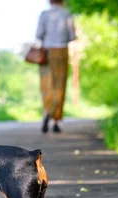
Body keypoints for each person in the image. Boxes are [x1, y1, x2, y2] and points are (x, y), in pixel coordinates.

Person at [36, 0, 76, 133]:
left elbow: (38, 34)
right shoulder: (67, 14)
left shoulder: (44, 14)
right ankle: (56, 121)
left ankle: (47, 112)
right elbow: (72, 35)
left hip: (46, 51)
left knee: (47, 84)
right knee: (60, 85)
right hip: (61, 51)